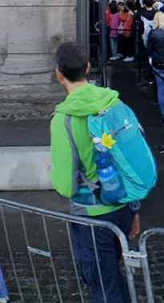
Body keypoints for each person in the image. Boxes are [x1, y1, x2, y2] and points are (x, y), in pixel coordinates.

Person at [50, 42, 143, 303]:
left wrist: (54, 171)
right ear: (88, 67)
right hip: (122, 206)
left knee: (103, 285)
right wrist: (135, 209)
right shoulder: (114, 103)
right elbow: (129, 161)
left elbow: (66, 186)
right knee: (115, 275)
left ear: (59, 73)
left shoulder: (62, 120)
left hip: (90, 215)